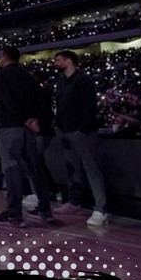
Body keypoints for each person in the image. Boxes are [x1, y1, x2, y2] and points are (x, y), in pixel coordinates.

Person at [0, 47, 54, 226]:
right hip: (29, 129)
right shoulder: (28, 76)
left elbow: (7, 101)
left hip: (10, 128)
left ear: (3, 57)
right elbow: (42, 100)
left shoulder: (1, 76)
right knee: (35, 169)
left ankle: (14, 214)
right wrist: (34, 120)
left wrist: (25, 119)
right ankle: (45, 211)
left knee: (12, 170)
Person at [50, 50, 108, 226]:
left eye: (58, 60)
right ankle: (74, 202)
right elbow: (60, 106)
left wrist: (83, 129)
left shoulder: (83, 80)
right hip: (65, 130)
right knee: (71, 168)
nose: (55, 63)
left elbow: (90, 106)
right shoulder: (61, 82)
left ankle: (101, 209)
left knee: (91, 169)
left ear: (69, 61)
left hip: (82, 131)